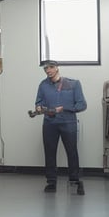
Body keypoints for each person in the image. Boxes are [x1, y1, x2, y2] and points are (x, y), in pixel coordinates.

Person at [34, 59, 87, 194]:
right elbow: (39, 102)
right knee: (49, 152)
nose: (48, 70)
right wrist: (39, 107)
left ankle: (74, 180)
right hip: (49, 124)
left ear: (57, 67)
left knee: (72, 152)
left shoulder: (73, 84)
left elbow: (82, 105)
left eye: (51, 67)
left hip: (68, 123)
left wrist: (64, 108)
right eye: (45, 69)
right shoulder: (43, 85)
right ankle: (51, 182)